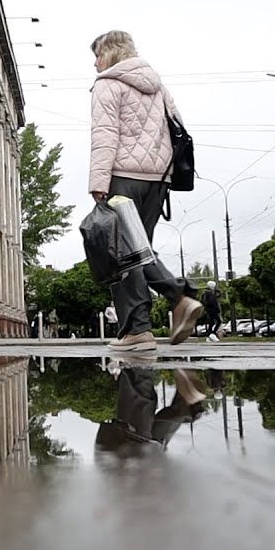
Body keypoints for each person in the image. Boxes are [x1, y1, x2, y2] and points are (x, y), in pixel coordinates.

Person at [89, 30, 202, 352]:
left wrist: (99, 182)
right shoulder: (157, 85)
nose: (95, 64)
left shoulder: (108, 85)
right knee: (139, 251)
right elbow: (175, 126)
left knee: (124, 255)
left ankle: (168, 304)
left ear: (109, 53)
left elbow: (105, 134)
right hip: (158, 181)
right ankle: (143, 326)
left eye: (97, 56)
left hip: (123, 176)